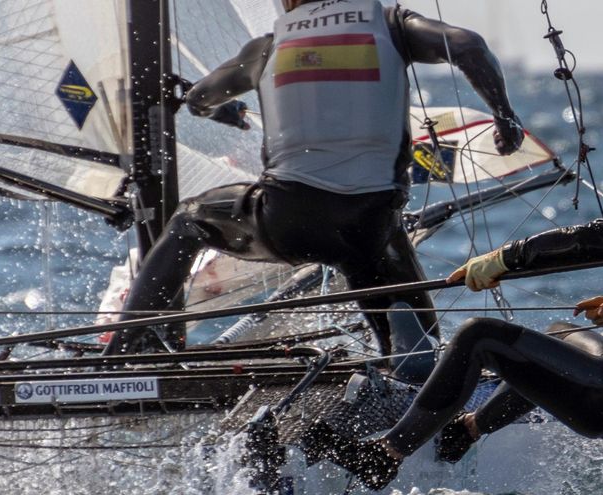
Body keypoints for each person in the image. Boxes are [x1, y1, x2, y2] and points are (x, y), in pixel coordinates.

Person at [305, 109, 603, 490]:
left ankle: (383, 456)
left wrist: (506, 259)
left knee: (479, 336)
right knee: (566, 333)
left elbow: (602, 238)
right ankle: (464, 431)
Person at [102, 0, 525, 367]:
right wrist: (505, 117)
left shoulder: (267, 48)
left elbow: (198, 98)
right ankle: (417, 379)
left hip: (284, 219)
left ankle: (123, 354)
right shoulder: (392, 26)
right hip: (368, 228)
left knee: (192, 219)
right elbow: (468, 46)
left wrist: (218, 111)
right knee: (415, 336)